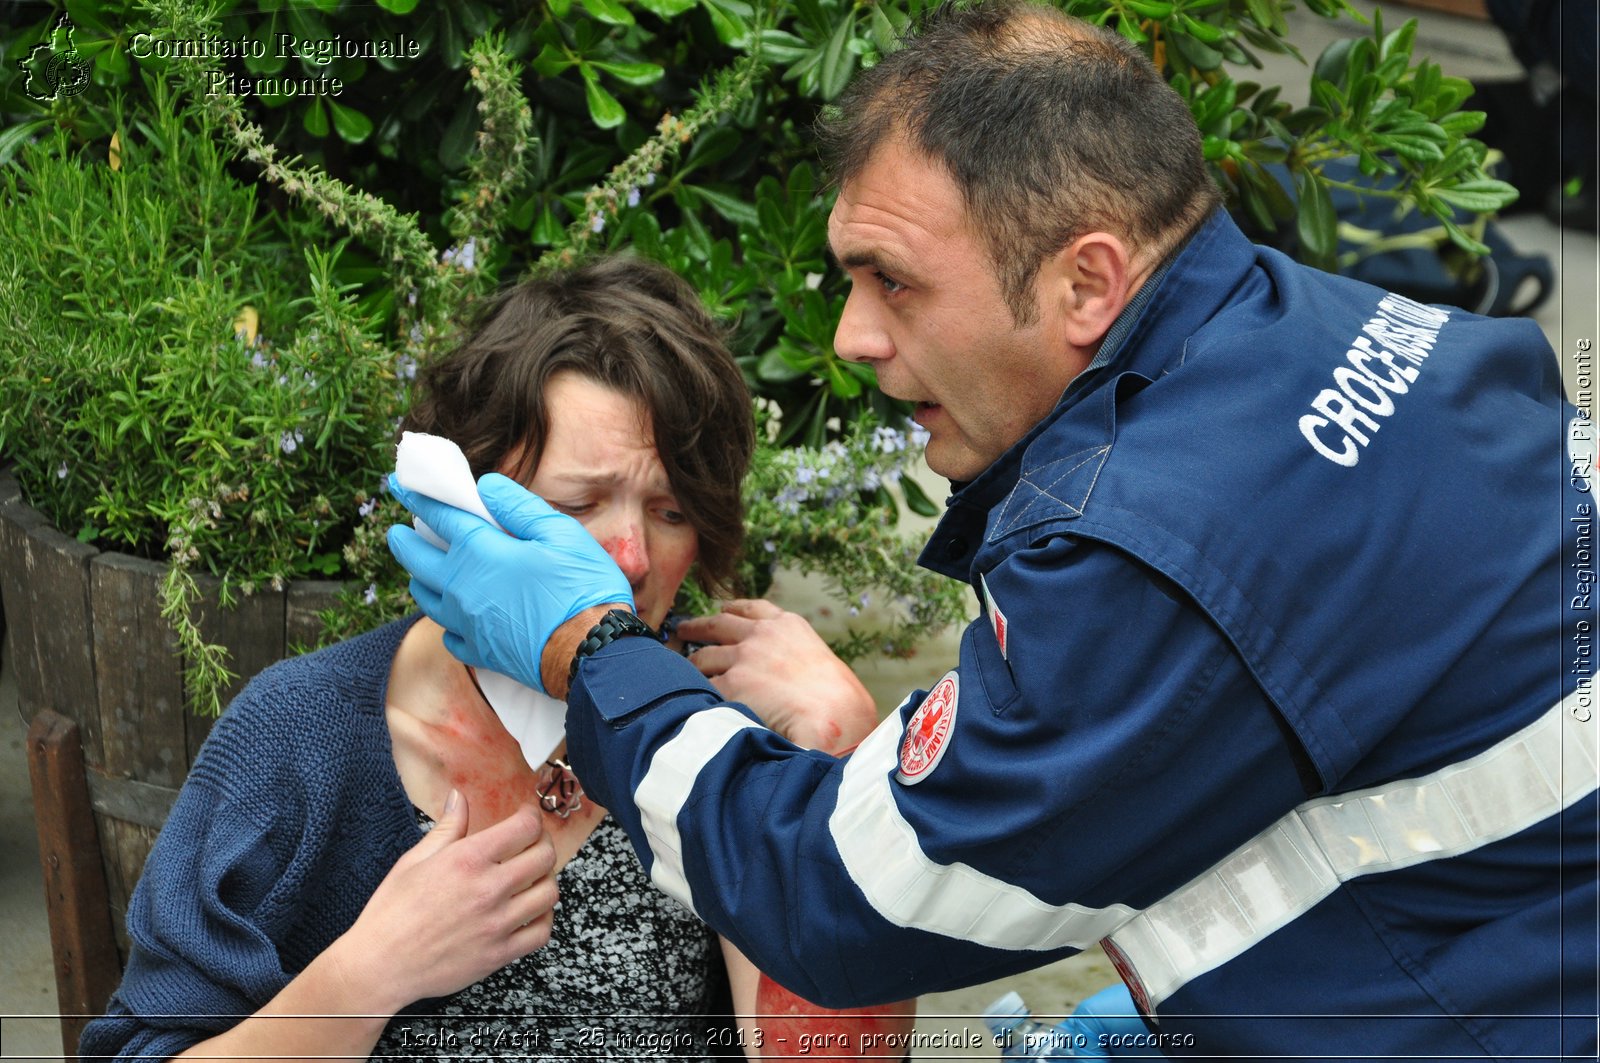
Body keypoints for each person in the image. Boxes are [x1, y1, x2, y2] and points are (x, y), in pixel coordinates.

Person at [386, 2, 1599, 1058]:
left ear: (1087, 282)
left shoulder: (1148, 549)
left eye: (894, 281)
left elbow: (837, 896)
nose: (854, 339)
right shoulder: (1366, 331)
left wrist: (589, 651)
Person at [80, 255, 912, 1061]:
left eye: (669, 510)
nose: (626, 557)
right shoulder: (302, 733)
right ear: (464, 506)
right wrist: (370, 972)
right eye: (576, 505)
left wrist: (838, 751)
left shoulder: (715, 748)